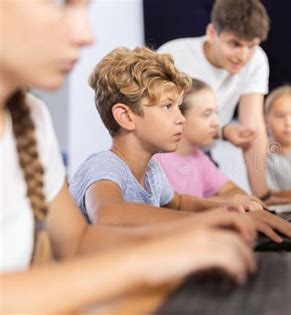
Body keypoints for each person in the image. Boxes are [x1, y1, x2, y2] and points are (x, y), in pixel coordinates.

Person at [0, 1, 257, 312]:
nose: (87, 35)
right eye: (61, 4)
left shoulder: (32, 118)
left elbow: (77, 243)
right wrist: (156, 255)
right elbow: (108, 215)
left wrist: (196, 234)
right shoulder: (104, 167)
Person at [68, 48, 291, 243]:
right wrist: (212, 220)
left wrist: (226, 210)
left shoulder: (151, 172)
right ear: (126, 117)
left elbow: (178, 203)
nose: (181, 118)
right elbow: (108, 215)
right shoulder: (104, 167)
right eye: (168, 106)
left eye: (179, 107)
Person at [158, 0, 276, 202]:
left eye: (252, 46)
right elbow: (152, 121)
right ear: (212, 33)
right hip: (162, 156)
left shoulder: (256, 61)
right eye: (234, 44)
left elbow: (253, 127)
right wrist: (223, 131)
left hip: (199, 156)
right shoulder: (173, 57)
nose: (243, 56)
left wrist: (263, 196)